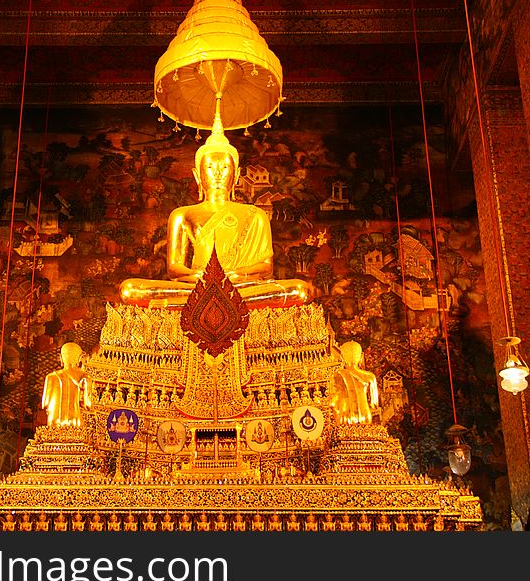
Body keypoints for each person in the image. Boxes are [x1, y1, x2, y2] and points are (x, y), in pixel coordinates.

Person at [119, 106, 311, 310]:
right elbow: (175, 269)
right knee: (130, 289)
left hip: (242, 286)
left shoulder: (255, 215)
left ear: (236, 176)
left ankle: (198, 301)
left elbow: (266, 267)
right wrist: (205, 279)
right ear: (197, 175)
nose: (218, 173)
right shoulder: (182, 215)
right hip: (196, 287)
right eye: (210, 167)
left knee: (298, 289)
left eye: (225, 167)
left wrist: (235, 276)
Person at [42, 342, 90, 426]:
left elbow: (45, 404)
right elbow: (87, 405)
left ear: (61, 358)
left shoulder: (50, 377)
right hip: (75, 422)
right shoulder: (85, 377)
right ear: (79, 358)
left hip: (54, 422)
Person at [330, 341, 379, 424]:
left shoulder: (337, 375)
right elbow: (374, 404)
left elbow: (333, 403)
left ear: (342, 357)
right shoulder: (370, 377)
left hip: (344, 416)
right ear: (361, 356)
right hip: (365, 416)